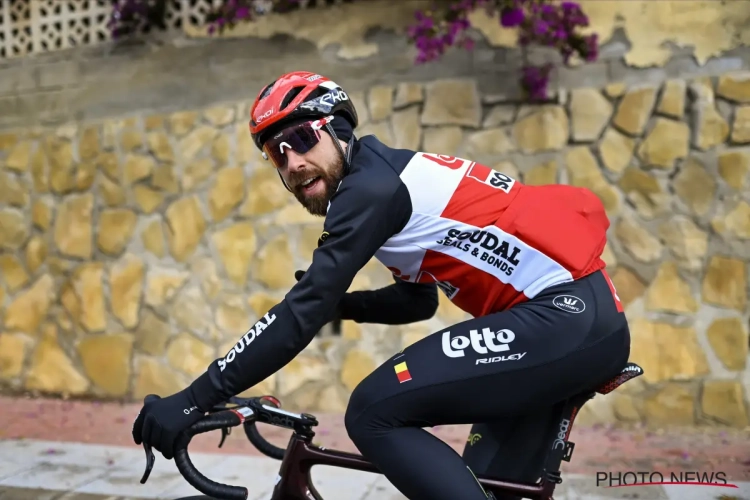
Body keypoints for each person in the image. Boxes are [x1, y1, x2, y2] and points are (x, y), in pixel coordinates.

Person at [132, 71, 631, 500]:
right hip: (574, 322)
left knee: (372, 410)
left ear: (339, 131)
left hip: (566, 319)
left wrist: (193, 397)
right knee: (484, 487)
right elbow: (417, 301)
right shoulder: (385, 180)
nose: (292, 163)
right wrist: (345, 306)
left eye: (302, 140)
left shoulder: (372, 189)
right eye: (275, 155)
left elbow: (299, 312)